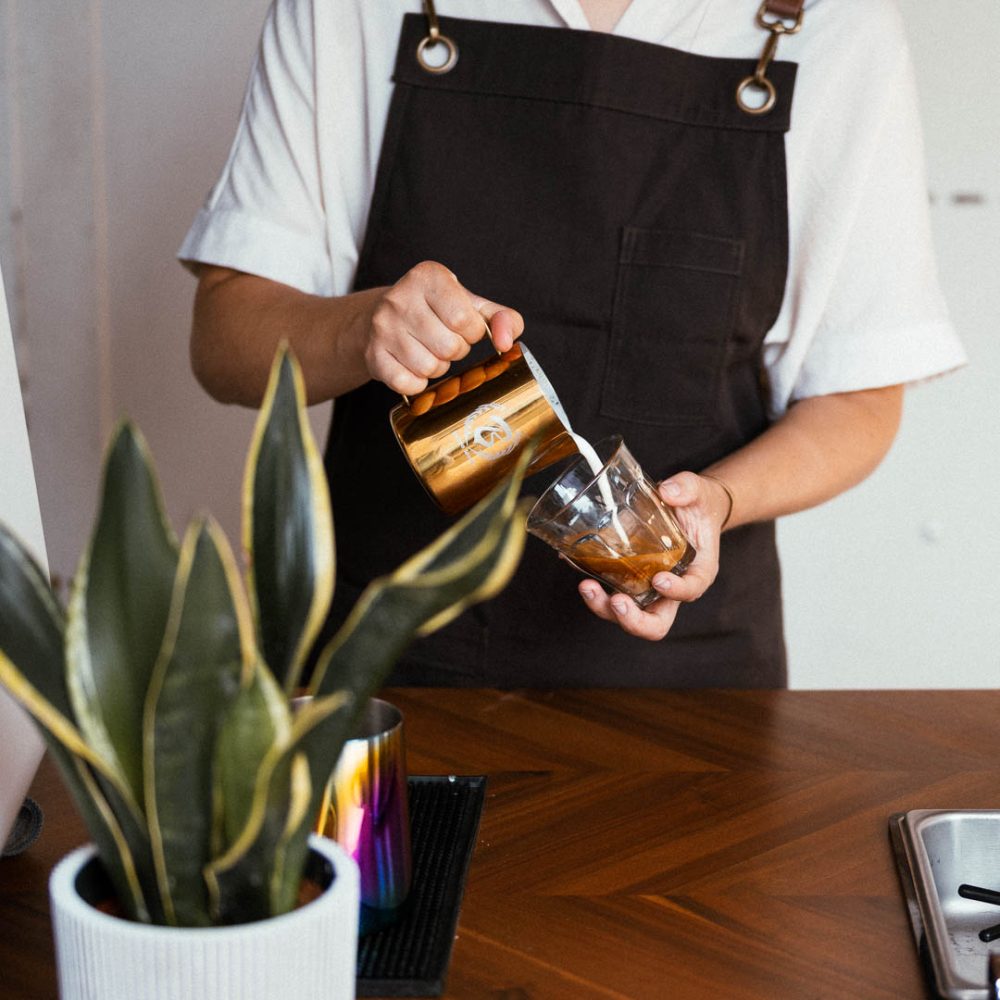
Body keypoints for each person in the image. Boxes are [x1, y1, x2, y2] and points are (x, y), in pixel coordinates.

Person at [179, 0, 965, 688]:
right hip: (386, 666)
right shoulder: (348, 8)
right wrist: (361, 328)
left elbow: (860, 399)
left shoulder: (834, 28)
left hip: (690, 685)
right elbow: (225, 339)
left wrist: (717, 503)